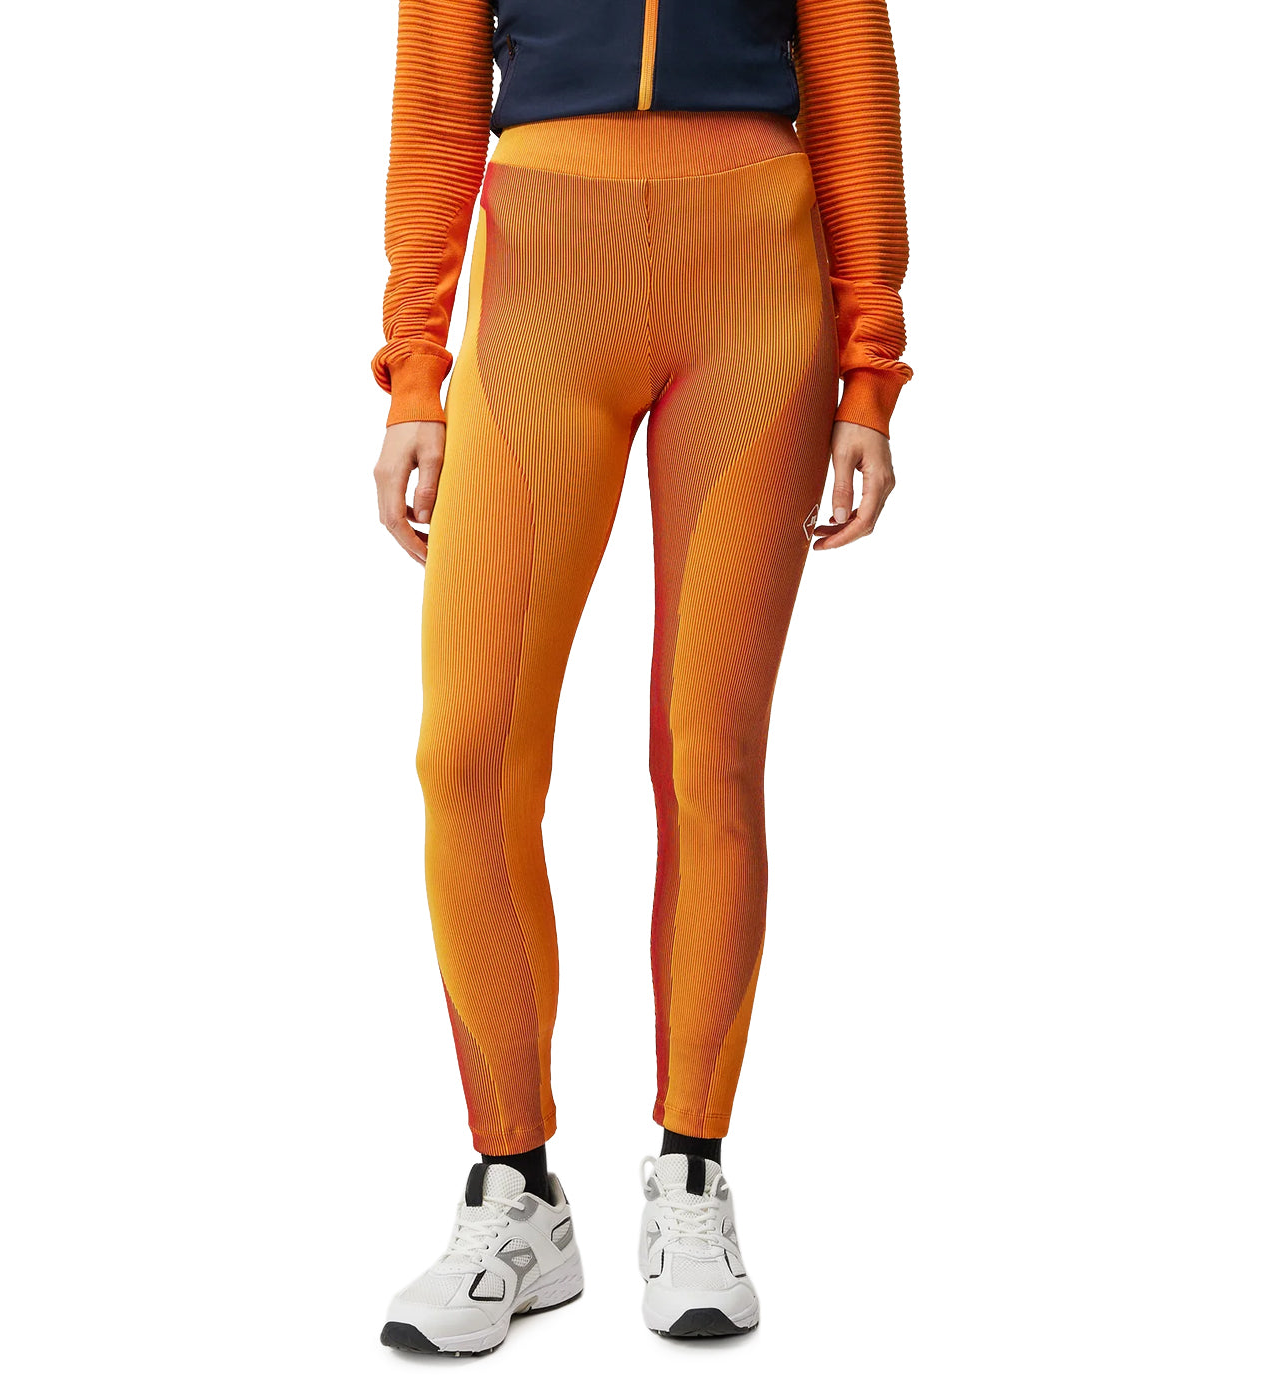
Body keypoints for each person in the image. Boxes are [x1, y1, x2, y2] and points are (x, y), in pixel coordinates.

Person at [371, 0, 911, 1353]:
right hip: (544, 271)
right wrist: (416, 374)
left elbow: (852, 84)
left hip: (756, 281)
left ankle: (691, 1172)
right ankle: (515, 1189)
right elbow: (437, 97)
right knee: (467, 751)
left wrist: (870, 371)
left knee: (707, 751)